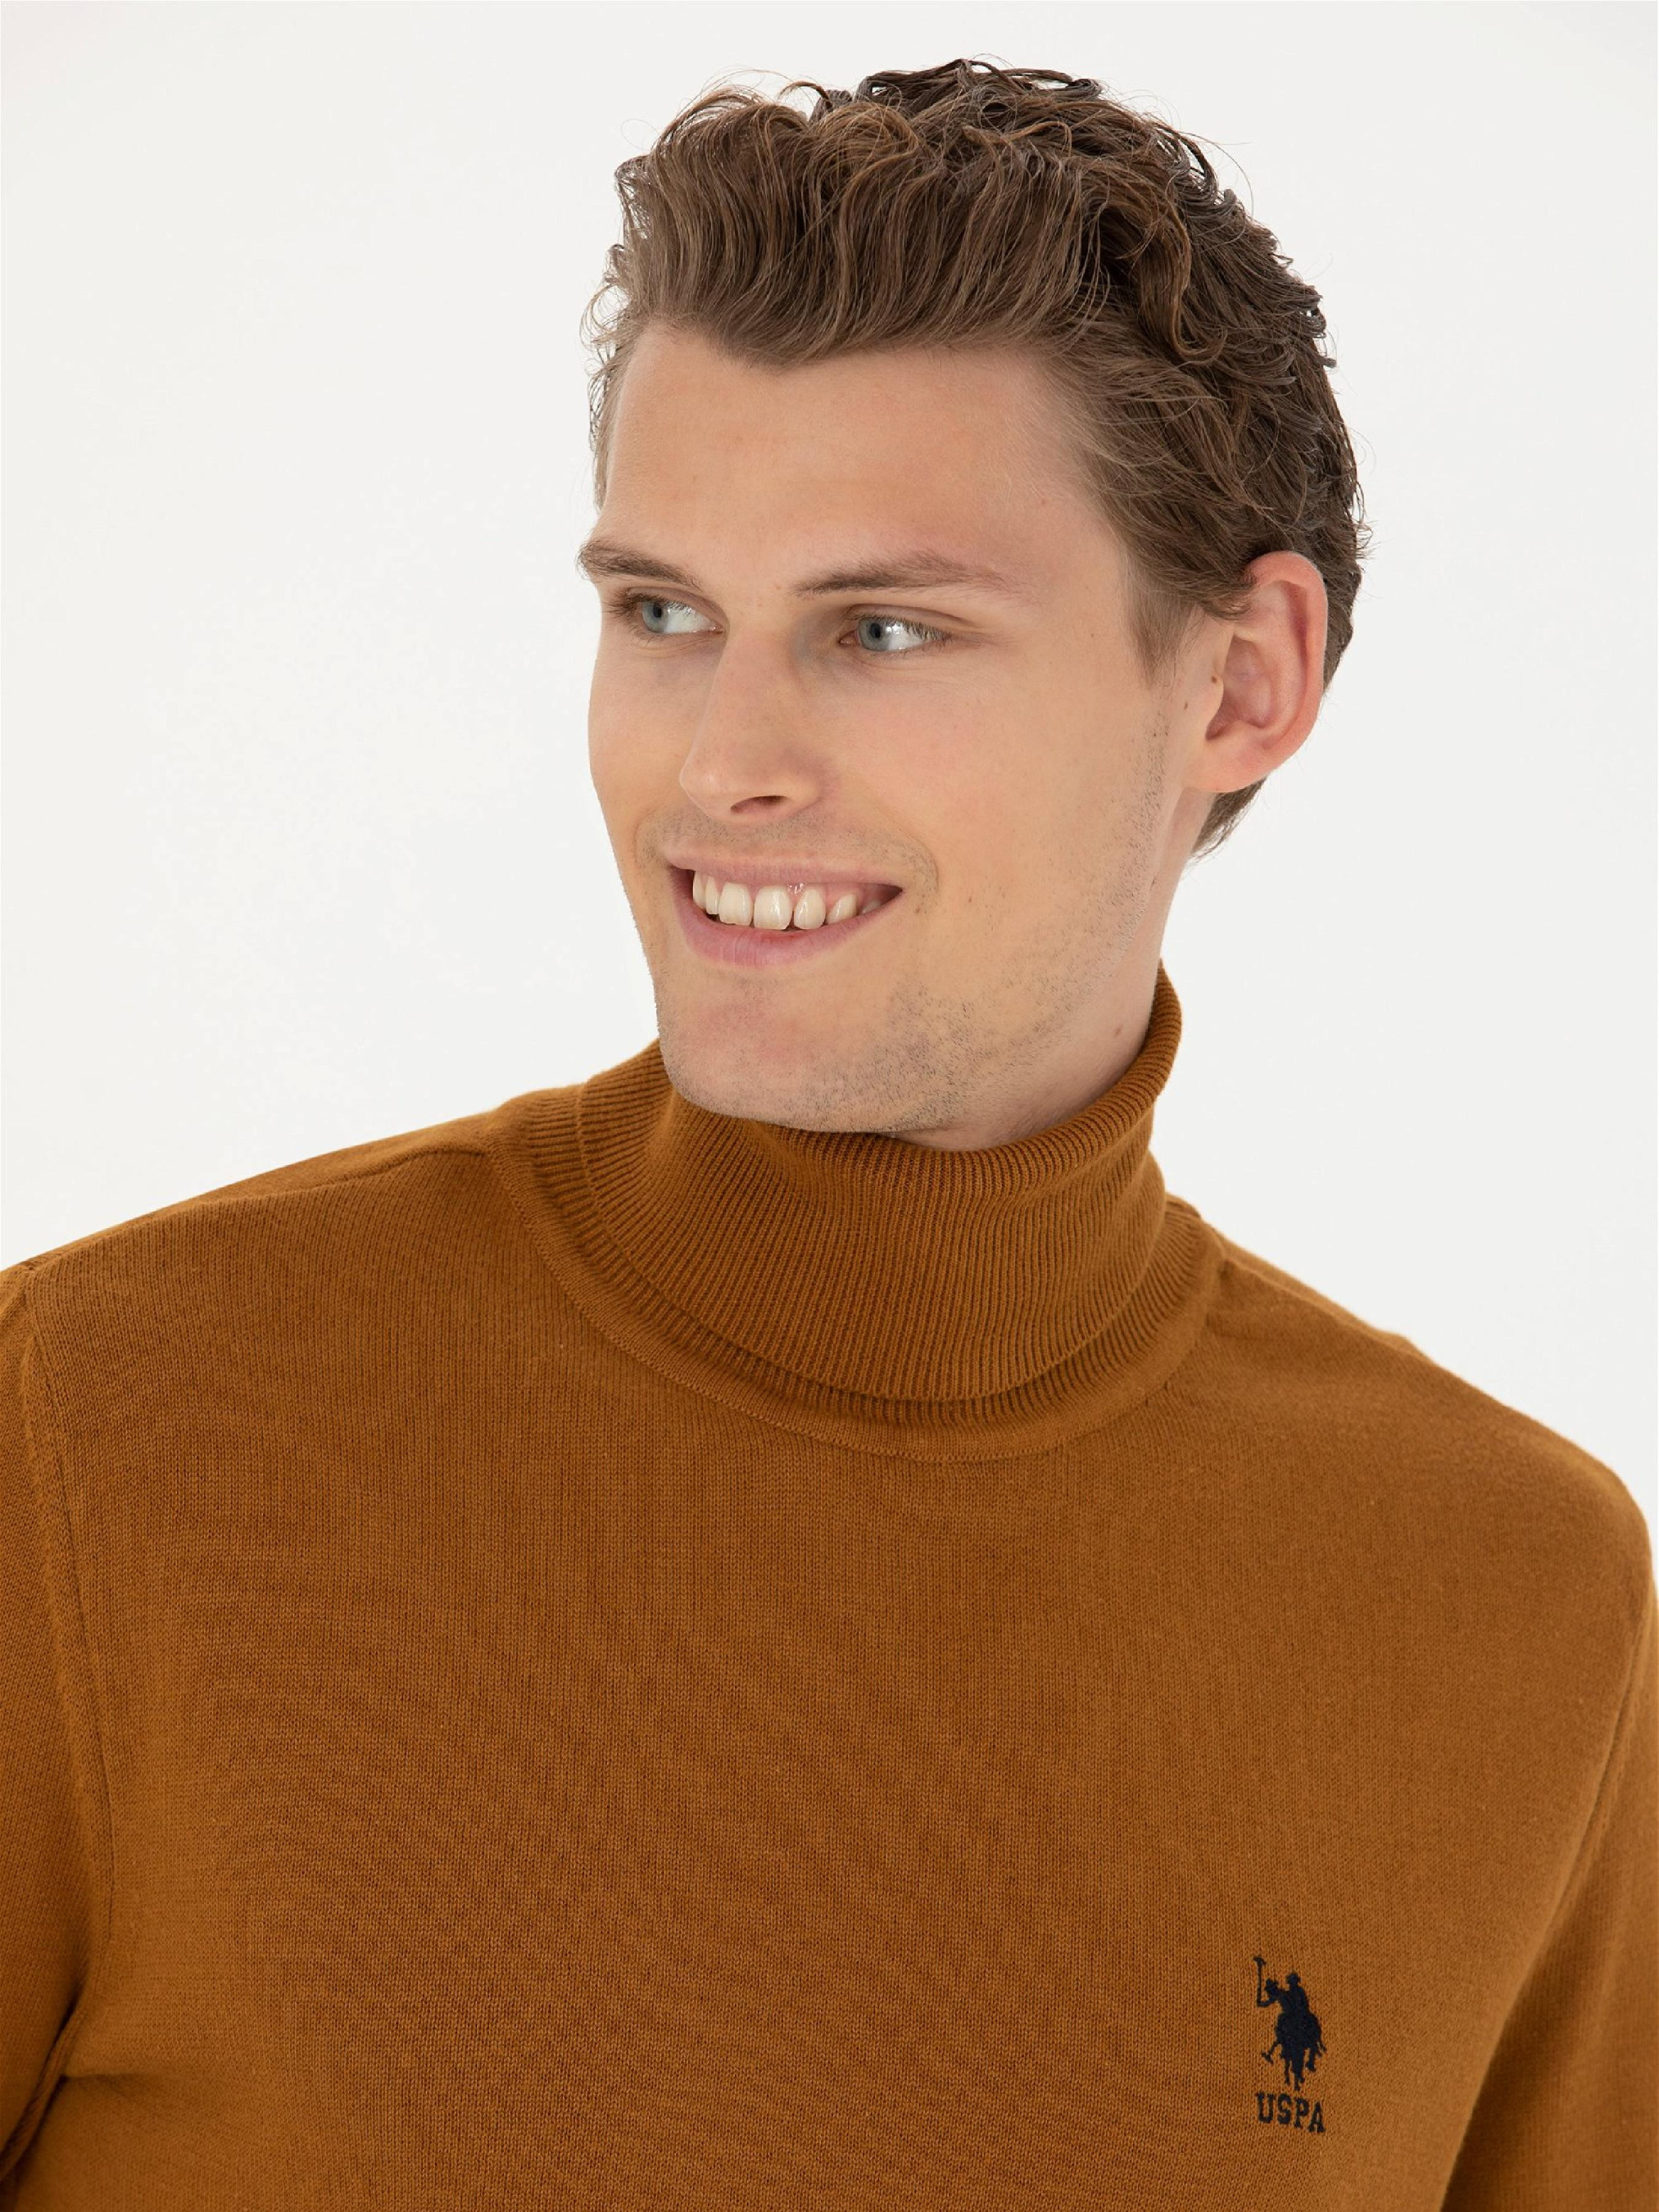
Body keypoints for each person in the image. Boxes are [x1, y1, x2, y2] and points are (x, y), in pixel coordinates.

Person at [2, 57, 1652, 2209]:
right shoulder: (100, 1433)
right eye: (663, 613)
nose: (722, 764)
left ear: (1242, 680)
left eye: (881, 629)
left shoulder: (1511, 1602)